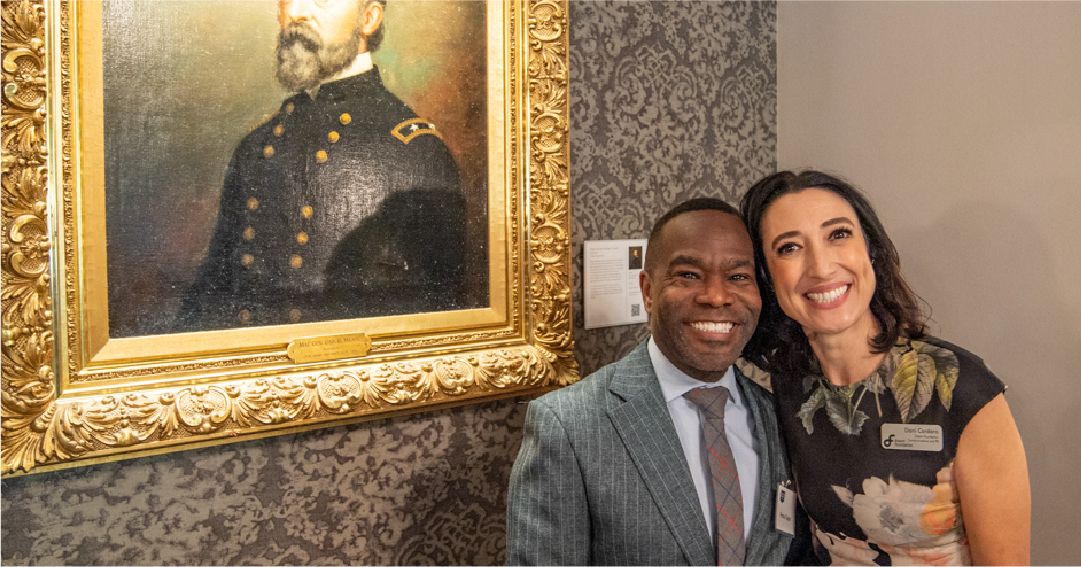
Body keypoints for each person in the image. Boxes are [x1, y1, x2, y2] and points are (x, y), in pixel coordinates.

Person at [739, 170, 1031, 564]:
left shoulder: (962, 389)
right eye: (789, 247)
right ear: (767, 276)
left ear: (870, 251)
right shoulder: (787, 387)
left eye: (838, 234)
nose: (821, 267)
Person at [506, 198, 807, 565]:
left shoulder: (780, 417)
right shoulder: (568, 426)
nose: (716, 296)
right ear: (648, 292)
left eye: (738, 277)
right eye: (689, 275)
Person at [179, 0, 465, 330]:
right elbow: (212, 293)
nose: (297, 11)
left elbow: (433, 321)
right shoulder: (256, 146)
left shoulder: (415, 151)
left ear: (369, 18)